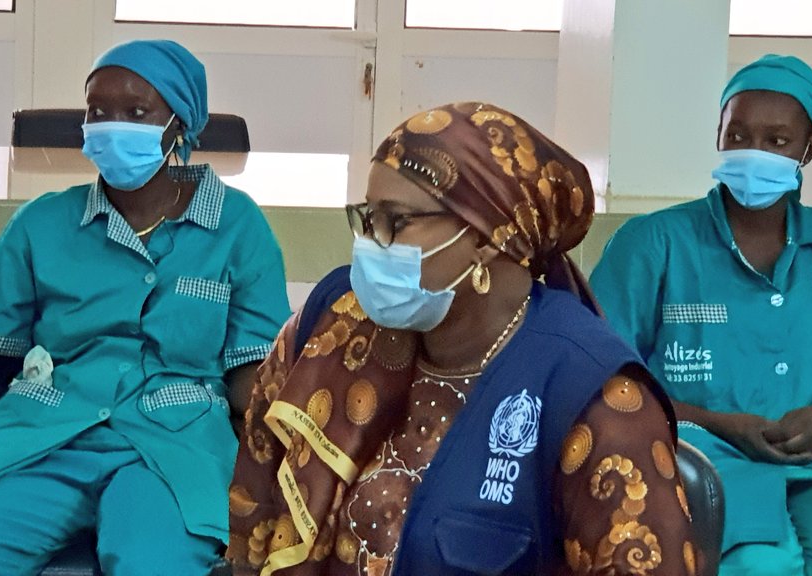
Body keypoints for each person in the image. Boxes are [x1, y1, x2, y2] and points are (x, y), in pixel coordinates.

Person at [0, 39, 290, 575]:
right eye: (98, 111)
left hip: (173, 448)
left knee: (153, 565)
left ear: (179, 123)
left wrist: (297, 409)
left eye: (136, 113)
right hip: (47, 436)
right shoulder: (43, 224)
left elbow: (252, 370)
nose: (112, 125)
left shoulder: (236, 225)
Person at [225, 102, 699, 576]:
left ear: (488, 237)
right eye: (367, 218)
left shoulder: (592, 394)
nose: (369, 243)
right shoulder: (332, 326)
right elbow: (253, 518)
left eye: (396, 222)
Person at [589, 54, 812, 576]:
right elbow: (599, 377)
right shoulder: (653, 243)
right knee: (756, 566)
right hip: (700, 455)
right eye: (739, 135)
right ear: (719, 134)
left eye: (778, 141)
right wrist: (719, 423)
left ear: (808, 148)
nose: (755, 154)